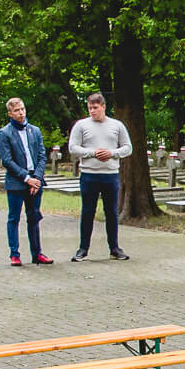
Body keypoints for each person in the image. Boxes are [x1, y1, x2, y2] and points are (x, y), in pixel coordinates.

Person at [68, 92, 133, 261]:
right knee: (87, 212)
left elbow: (127, 147)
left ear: (103, 107)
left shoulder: (117, 125)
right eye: (90, 108)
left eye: (95, 108)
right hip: (89, 175)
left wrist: (111, 153)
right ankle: (83, 249)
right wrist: (92, 153)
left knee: (111, 212)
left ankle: (114, 248)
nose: (92, 111)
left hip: (110, 175)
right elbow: (73, 147)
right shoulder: (81, 125)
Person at [0, 98, 51, 265]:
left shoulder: (35, 130)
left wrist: (37, 178)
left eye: (22, 109)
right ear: (10, 113)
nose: (21, 113)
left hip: (35, 179)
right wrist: (27, 179)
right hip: (17, 181)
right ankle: (14, 254)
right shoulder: (5, 133)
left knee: (34, 217)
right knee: (14, 218)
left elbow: (42, 156)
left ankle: (37, 253)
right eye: (16, 110)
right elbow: (7, 160)